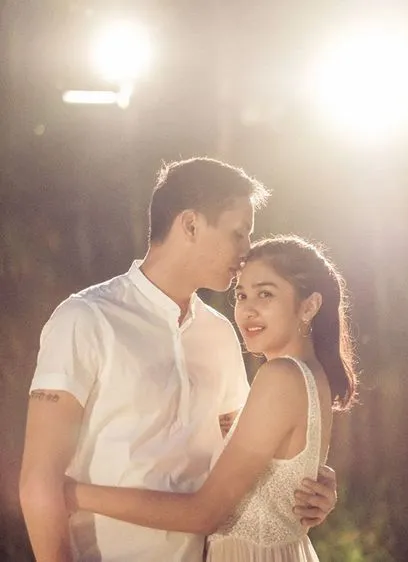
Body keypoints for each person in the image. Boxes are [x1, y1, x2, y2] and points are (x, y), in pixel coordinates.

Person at [20, 158, 338, 562]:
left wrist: (304, 478)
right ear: (190, 225)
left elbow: (247, 453)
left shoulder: (221, 334)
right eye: (239, 233)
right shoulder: (86, 319)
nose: (246, 252)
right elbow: (38, 483)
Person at [65, 235, 358, 561]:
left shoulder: (281, 377)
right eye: (241, 295)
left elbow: (202, 514)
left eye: (265, 294)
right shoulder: (310, 375)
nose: (248, 309)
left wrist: (72, 493)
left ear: (309, 306)